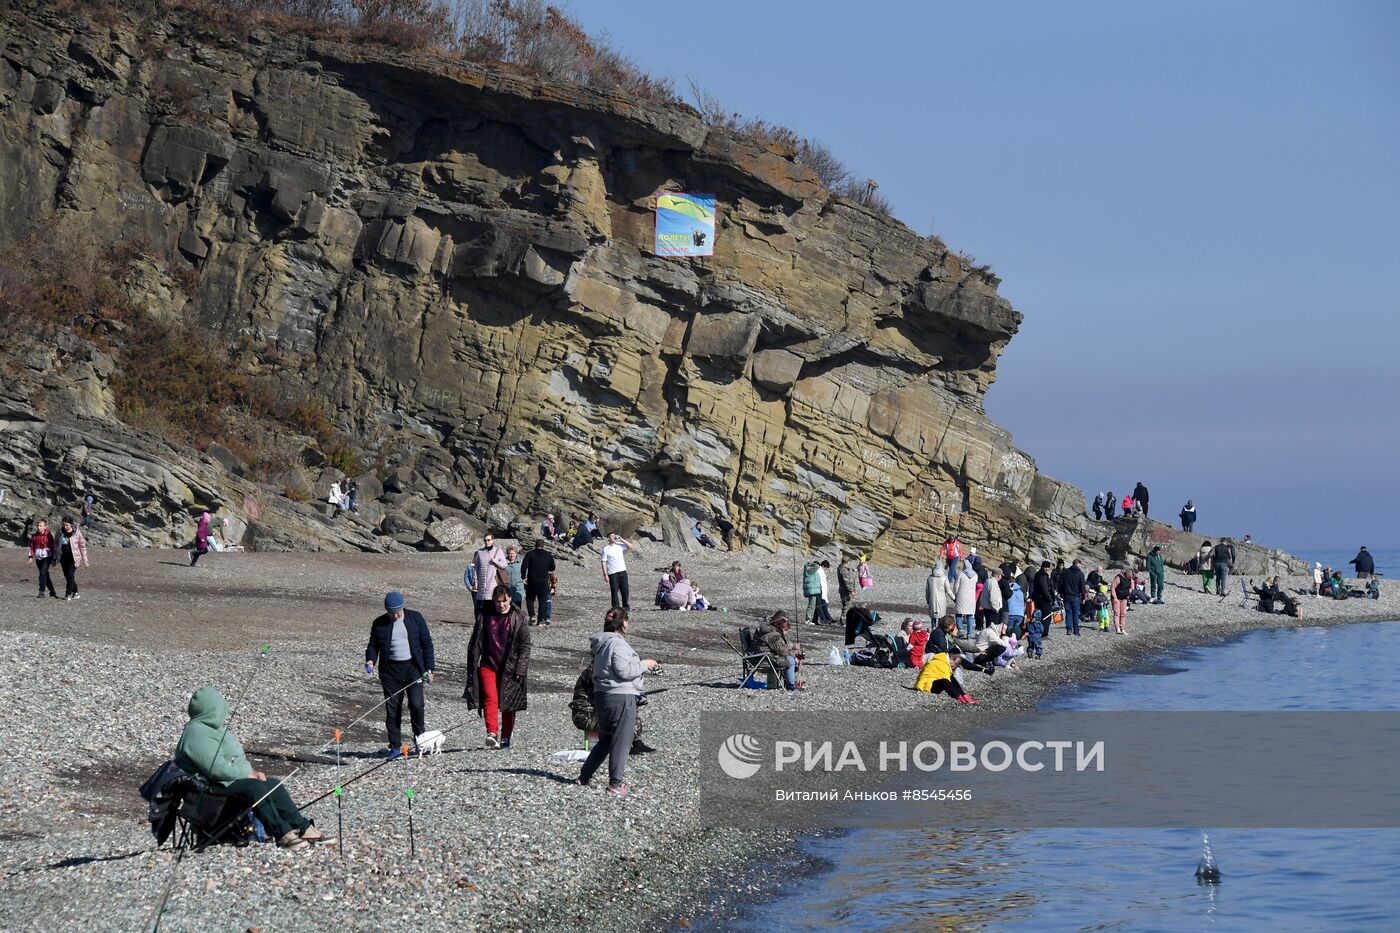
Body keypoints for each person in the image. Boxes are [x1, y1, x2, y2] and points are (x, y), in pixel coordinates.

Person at [175, 686, 320, 849]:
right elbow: (216, 768)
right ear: (212, 708)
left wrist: (251, 773)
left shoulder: (211, 728)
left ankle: (302, 827)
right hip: (206, 790)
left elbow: (231, 762)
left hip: (223, 783)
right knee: (254, 787)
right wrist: (247, 775)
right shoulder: (196, 732)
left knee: (273, 785)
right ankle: (282, 833)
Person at [578, 608, 659, 796]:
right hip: (621, 698)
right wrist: (645, 664)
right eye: (627, 621)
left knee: (605, 740)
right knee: (622, 741)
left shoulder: (600, 643)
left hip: (602, 697)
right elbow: (623, 671)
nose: (628, 624)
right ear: (622, 623)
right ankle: (615, 784)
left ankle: (584, 777)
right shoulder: (618, 644)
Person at [365, 591, 436, 756]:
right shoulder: (379, 623)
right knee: (392, 710)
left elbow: (427, 644)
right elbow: (373, 645)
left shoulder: (416, 618)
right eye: (392, 612)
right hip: (390, 673)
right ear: (387, 611)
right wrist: (370, 660)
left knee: (417, 705)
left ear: (403, 607)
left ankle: (420, 739)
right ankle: (395, 746)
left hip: (413, 669)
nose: (396, 615)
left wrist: (429, 669)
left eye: (398, 611)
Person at [464, 585, 530, 749]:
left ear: (510, 599)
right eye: (498, 602)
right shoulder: (484, 616)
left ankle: (506, 736)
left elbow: (525, 646)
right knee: (490, 698)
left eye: (504, 601)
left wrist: (521, 669)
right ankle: (491, 733)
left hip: (511, 667)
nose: (501, 605)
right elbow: (474, 644)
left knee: (508, 703)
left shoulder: (519, 617)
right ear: (494, 601)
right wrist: (472, 665)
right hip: (488, 664)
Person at [569, 659, 655, 757]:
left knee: (627, 704)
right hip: (585, 717)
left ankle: (634, 742)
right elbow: (611, 695)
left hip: (589, 714)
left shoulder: (600, 667)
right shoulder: (597, 671)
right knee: (626, 706)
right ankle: (634, 743)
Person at [757, 612, 804, 690]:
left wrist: (793, 649)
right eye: (785, 621)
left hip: (765, 655)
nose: (786, 623)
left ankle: (794, 682)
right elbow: (781, 651)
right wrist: (794, 655)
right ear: (779, 622)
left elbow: (781, 647)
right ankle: (790, 685)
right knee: (790, 660)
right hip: (764, 659)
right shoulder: (772, 634)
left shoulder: (773, 631)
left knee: (793, 657)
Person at [470, 534, 508, 621]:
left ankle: (493, 622)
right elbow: (476, 568)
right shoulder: (480, 552)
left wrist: (495, 562)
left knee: (492, 603)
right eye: (485, 540)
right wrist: (475, 580)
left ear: (492, 540)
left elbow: (504, 565)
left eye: (488, 540)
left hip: (493, 582)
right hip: (482, 584)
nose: (487, 542)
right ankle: (479, 623)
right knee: (479, 605)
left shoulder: (498, 551)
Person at [521, 539, 556, 626]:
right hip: (544, 580)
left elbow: (524, 566)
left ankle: (532, 615)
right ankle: (540, 620)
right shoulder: (548, 555)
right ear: (543, 546)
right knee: (543, 601)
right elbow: (552, 567)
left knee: (530, 599)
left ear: (535, 545)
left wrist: (523, 577)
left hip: (532, 580)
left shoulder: (530, 554)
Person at [56, 517, 90, 601]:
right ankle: (76, 592)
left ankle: (68, 594)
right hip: (63, 558)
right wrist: (55, 556)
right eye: (63, 525)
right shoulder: (60, 532)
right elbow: (55, 544)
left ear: (71, 524)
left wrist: (85, 560)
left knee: (70, 575)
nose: (65, 526)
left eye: (67, 525)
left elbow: (82, 546)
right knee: (67, 576)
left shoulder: (77, 533)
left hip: (73, 558)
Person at [27, 519, 59, 598]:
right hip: (38, 557)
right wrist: (31, 557)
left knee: (42, 573)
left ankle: (41, 591)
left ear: (45, 527)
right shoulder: (34, 537)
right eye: (37, 525)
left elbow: (53, 547)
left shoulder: (49, 536)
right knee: (45, 575)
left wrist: (54, 558)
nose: (38, 527)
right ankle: (52, 591)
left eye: (40, 526)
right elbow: (32, 547)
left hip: (47, 557)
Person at [600, 533, 632, 610]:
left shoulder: (620, 545)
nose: (614, 537)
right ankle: (616, 608)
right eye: (612, 536)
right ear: (608, 538)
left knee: (625, 591)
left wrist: (621, 539)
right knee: (614, 591)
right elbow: (603, 562)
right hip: (612, 573)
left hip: (622, 571)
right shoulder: (606, 549)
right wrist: (605, 574)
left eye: (614, 535)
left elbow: (631, 547)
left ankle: (626, 607)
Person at [1058, 558, 1086, 637]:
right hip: (1075, 596)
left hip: (1066, 595)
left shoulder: (1065, 572)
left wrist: (1061, 594)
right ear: (1078, 564)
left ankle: (1069, 629)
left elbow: (1061, 584)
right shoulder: (1080, 574)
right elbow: (1082, 587)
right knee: (1075, 613)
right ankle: (1076, 630)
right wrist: (1083, 597)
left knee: (1068, 613)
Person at [953, 559, 978, 639]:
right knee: (970, 615)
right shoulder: (975, 575)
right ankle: (969, 633)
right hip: (971, 597)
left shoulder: (961, 574)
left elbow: (956, 586)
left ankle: (960, 630)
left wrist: (955, 595)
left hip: (961, 596)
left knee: (959, 614)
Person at [1031, 561, 1056, 641]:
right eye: (1045, 567)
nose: (1046, 569)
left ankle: (1039, 632)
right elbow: (1045, 589)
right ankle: (1044, 634)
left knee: (1040, 617)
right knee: (1046, 617)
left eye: (1048, 567)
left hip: (1039, 599)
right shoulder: (1042, 576)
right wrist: (1050, 599)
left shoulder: (1040, 574)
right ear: (1042, 567)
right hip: (1044, 600)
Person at [977, 568, 1004, 632]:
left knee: (988, 627)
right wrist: (996, 608)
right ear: (998, 575)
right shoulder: (993, 583)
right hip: (992, 609)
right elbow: (993, 598)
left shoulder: (988, 581)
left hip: (987, 608)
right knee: (992, 629)